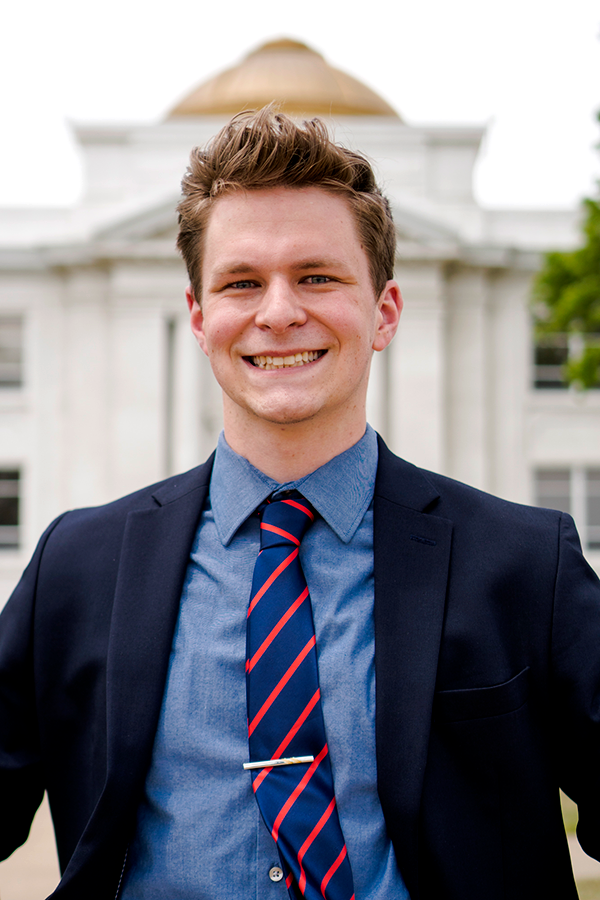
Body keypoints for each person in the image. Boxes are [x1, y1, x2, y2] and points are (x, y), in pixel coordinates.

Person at [1, 107, 599, 900]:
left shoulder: (524, 565)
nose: (278, 311)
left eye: (316, 276)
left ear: (383, 312)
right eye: (241, 282)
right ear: (199, 317)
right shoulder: (78, 568)